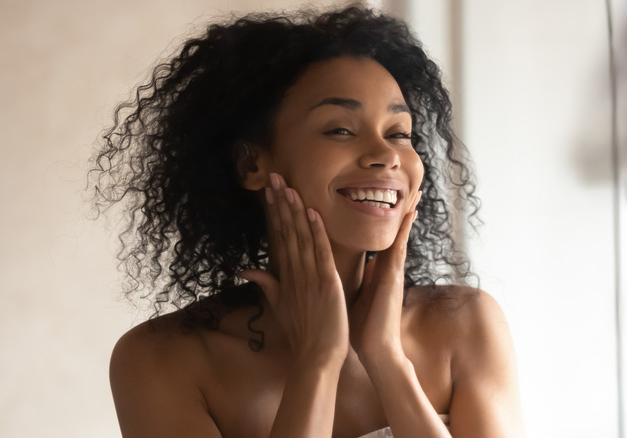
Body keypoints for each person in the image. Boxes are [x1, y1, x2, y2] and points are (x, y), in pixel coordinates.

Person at [92, 5, 524, 437]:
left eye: (399, 133)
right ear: (251, 164)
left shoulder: (466, 323)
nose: (387, 155)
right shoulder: (162, 359)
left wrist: (387, 358)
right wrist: (318, 359)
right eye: (340, 130)